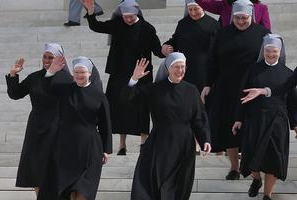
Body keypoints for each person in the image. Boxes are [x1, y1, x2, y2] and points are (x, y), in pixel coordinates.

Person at [82, 0, 165, 155]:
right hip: (119, 73)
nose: (128, 20)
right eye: (125, 17)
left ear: (137, 13)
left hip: (142, 73)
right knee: (119, 107)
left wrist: (165, 51)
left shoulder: (147, 28)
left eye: (131, 17)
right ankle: (122, 145)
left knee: (142, 107)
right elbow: (96, 26)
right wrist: (91, 11)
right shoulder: (118, 24)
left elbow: (157, 50)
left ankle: (144, 142)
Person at [124, 53, 211, 200]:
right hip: (159, 143)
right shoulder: (156, 89)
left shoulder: (192, 90)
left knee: (179, 186)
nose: (180, 70)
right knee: (152, 183)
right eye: (176, 67)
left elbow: (199, 119)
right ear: (168, 68)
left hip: (183, 146)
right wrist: (134, 79)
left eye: (183, 67)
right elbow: (130, 99)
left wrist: (205, 140)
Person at [200, 0, 270, 180]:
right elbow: (212, 61)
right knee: (229, 129)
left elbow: (270, 59)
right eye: (237, 18)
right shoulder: (222, 33)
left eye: (244, 18)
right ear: (232, 17)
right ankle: (234, 168)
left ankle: (252, 167)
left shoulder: (263, 34)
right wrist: (208, 83)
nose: (240, 21)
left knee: (252, 129)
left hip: (252, 88)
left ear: (252, 16)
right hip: (227, 88)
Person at [37, 56, 112, 200]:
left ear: (89, 73)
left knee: (84, 192)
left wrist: (106, 149)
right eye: (76, 72)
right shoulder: (64, 90)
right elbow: (45, 88)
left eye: (82, 72)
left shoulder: (99, 95)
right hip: (65, 147)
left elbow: (105, 123)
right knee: (66, 191)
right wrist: (51, 71)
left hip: (90, 148)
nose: (79, 75)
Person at [232, 34, 297, 200]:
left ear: (280, 51)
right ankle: (256, 179)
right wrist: (238, 118)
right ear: (263, 50)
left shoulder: (288, 73)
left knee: (274, 159)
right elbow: (243, 95)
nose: (270, 54)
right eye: (268, 50)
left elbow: (292, 102)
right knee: (250, 155)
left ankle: (268, 195)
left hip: (278, 121)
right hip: (255, 119)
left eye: (274, 51)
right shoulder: (253, 70)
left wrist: (295, 124)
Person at [5, 43, 72, 196]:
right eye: (45, 57)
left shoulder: (66, 78)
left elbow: (49, 94)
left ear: (60, 59)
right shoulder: (35, 77)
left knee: (54, 172)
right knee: (36, 171)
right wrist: (13, 75)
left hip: (57, 129)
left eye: (51, 57)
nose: (47, 60)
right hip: (36, 129)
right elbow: (15, 94)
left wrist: (50, 74)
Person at [161, 0, 220, 93]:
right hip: (185, 71)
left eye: (196, 9)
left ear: (203, 7)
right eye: (190, 9)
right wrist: (165, 47)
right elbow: (175, 41)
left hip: (205, 72)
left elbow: (218, 50)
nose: (193, 12)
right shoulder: (182, 24)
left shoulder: (214, 25)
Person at [197, 0, 271, 30]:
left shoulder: (261, 8)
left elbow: (266, 32)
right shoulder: (224, 5)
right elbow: (202, 1)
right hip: (229, 48)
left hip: (252, 51)